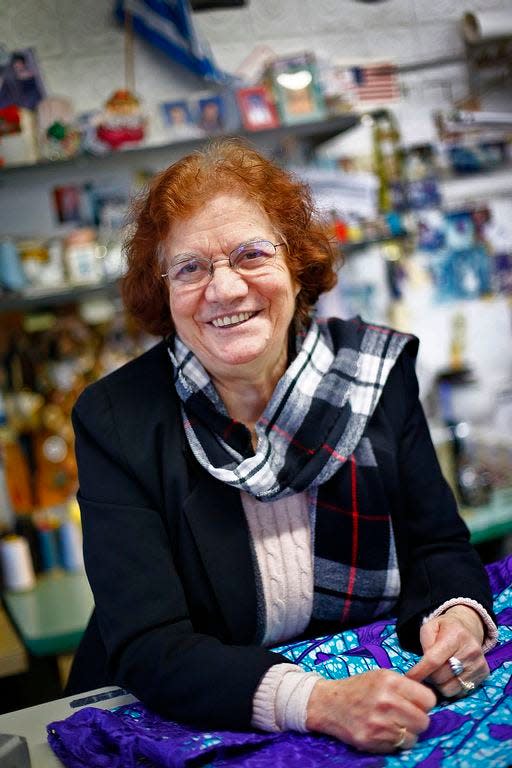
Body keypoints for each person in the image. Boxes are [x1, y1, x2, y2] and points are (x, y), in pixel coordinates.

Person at [67, 138, 497, 754]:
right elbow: (149, 644)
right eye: (189, 267)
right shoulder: (117, 419)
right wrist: (317, 703)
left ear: (296, 261)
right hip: (192, 712)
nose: (223, 289)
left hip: (374, 693)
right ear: (161, 290)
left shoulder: (373, 372)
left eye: (250, 254)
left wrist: (455, 617)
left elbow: (436, 546)